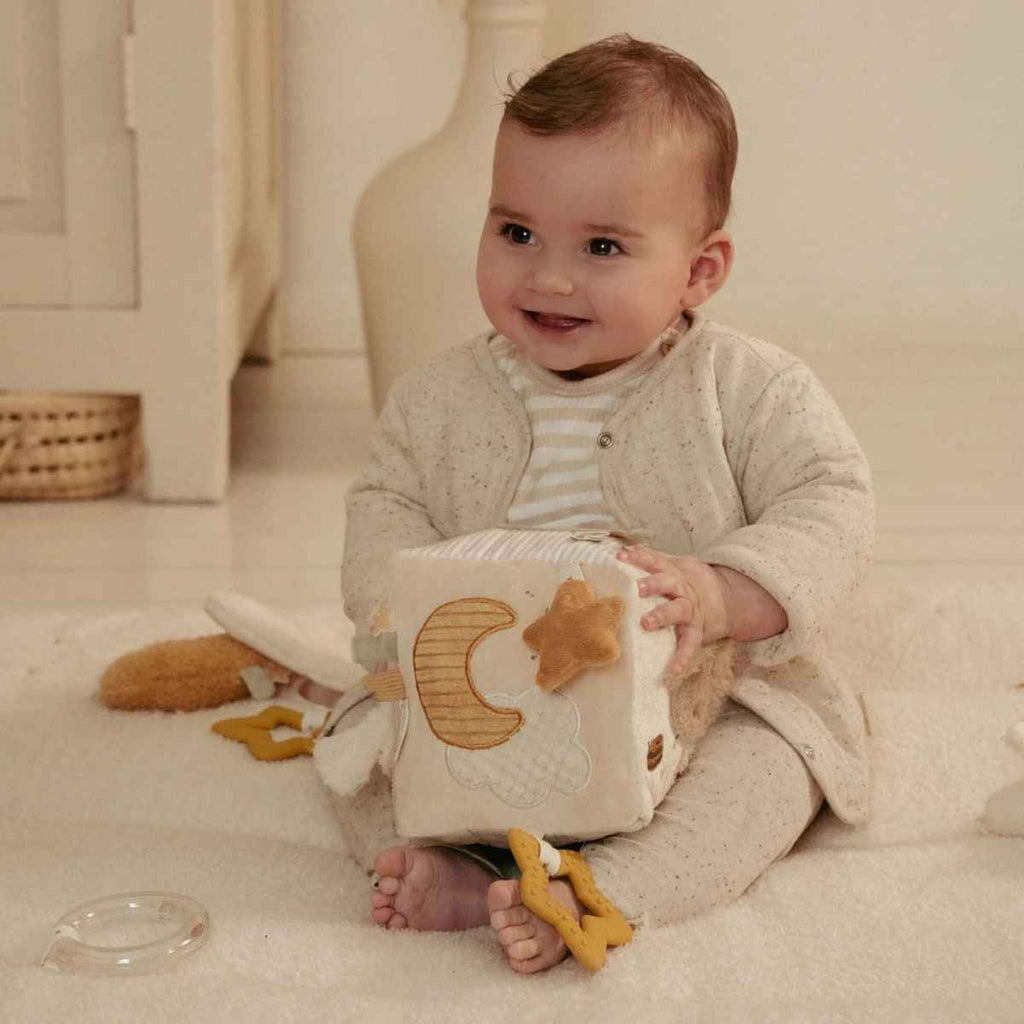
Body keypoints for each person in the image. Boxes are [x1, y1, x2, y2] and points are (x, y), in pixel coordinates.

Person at [341, 34, 874, 975]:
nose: (548, 276)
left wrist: (723, 594)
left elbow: (831, 497)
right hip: (491, 691)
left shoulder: (748, 389)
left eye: (601, 247)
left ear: (700, 270)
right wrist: (398, 608)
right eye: (516, 233)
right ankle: (466, 869)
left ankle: (609, 888)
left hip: (698, 696)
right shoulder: (437, 400)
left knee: (769, 772)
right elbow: (388, 499)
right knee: (370, 753)